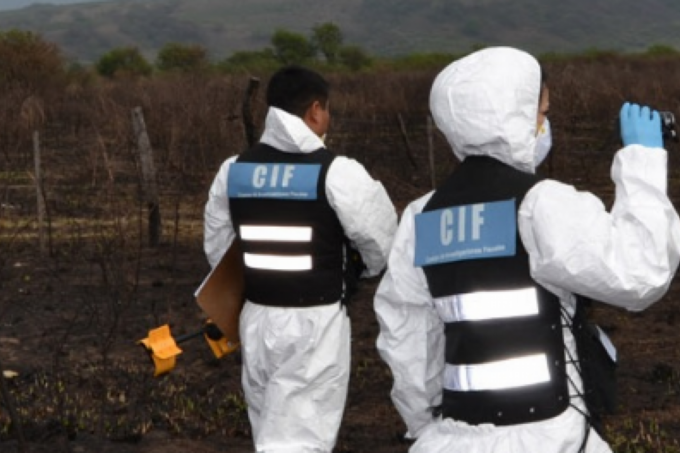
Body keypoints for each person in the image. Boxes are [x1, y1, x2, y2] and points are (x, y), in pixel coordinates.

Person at [374, 46, 680, 453]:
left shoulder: (420, 217)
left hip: (454, 439)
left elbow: (408, 339)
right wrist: (642, 160)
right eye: (543, 113)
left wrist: (425, 425)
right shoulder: (540, 205)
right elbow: (640, 273)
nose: (544, 125)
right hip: (550, 436)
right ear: (516, 115)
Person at [203, 65, 397, 453]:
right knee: (299, 439)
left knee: (269, 429)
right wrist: (359, 271)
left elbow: (218, 250)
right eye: (327, 110)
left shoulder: (233, 171)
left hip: (256, 319)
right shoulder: (338, 173)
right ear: (315, 110)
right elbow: (381, 242)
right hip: (314, 324)